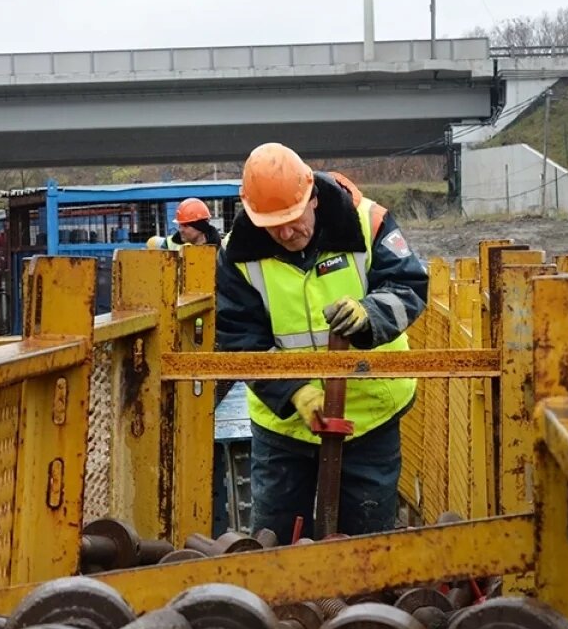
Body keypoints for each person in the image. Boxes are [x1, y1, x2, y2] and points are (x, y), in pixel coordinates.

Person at [215, 142, 428, 544]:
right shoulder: (237, 254)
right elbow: (238, 338)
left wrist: (371, 314)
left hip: (370, 416)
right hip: (286, 426)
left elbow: (409, 286)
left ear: (312, 196)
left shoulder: (369, 223)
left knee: (365, 541)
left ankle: (360, 606)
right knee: (275, 540)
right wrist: (293, 391)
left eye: (294, 218)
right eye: (271, 225)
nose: (286, 233)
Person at [154, 197, 223, 250]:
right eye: (180, 225)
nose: (181, 230)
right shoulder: (169, 244)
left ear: (201, 227)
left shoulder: (221, 248)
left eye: (185, 225)